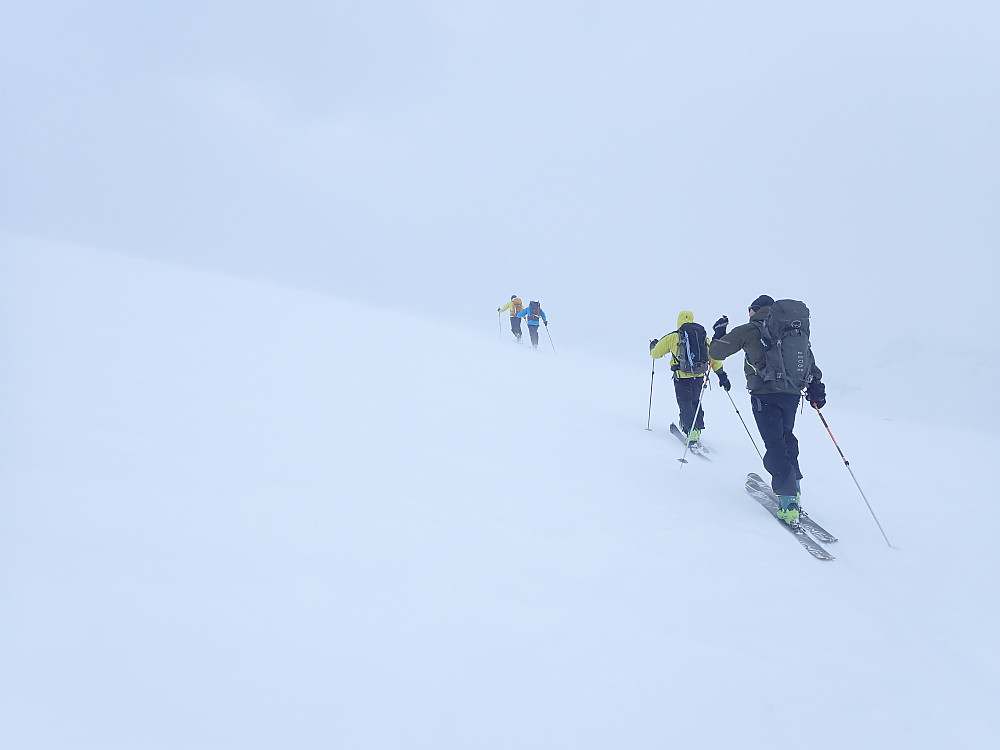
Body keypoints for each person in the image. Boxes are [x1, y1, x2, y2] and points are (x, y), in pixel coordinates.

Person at [708, 295, 827, 525]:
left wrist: (719, 332)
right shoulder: (792, 331)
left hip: (765, 394)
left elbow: (716, 352)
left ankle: (789, 501)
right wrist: (816, 385)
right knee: (786, 438)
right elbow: (809, 360)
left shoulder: (750, 330)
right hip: (792, 393)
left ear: (754, 310)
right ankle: (795, 488)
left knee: (774, 445)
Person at [649, 311, 731, 447]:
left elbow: (656, 354)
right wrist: (722, 375)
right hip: (699, 376)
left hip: (682, 377)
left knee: (685, 403)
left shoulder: (674, 337)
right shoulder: (702, 338)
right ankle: (697, 427)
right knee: (695, 401)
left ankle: (691, 431)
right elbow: (713, 357)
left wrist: (653, 347)